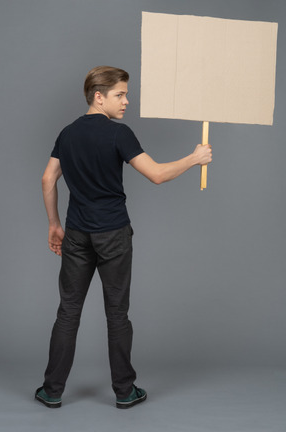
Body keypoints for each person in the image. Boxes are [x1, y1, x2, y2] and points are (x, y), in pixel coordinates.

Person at [35, 66, 212, 410]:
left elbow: (46, 180)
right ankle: (124, 392)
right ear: (99, 96)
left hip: (75, 233)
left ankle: (52, 390)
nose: (127, 101)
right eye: (120, 94)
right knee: (117, 314)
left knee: (68, 311)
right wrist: (195, 158)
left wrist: (53, 223)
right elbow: (158, 175)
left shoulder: (67, 133)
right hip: (113, 234)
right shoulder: (119, 134)